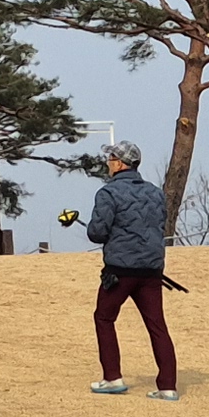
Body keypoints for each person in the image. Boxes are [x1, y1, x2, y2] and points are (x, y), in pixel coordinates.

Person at [80, 142, 181, 400]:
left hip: (119, 270)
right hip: (151, 270)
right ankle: (167, 386)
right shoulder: (156, 193)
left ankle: (112, 377)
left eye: (111, 157)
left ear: (120, 163)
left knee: (104, 318)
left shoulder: (108, 193)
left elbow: (97, 233)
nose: (108, 161)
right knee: (157, 324)